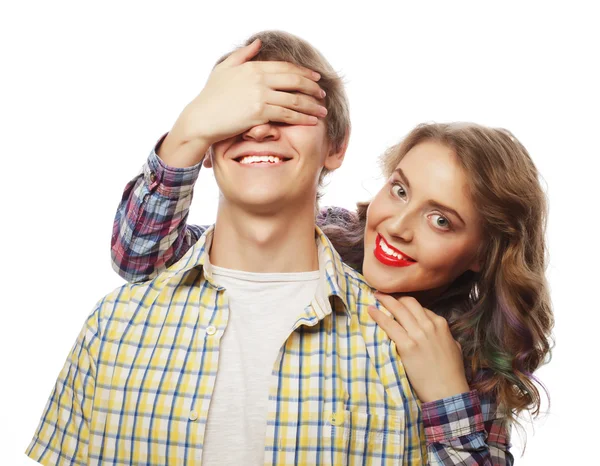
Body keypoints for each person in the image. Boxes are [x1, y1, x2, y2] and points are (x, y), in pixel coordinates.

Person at [109, 36, 553, 465]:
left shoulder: (470, 357)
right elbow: (143, 256)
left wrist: (447, 396)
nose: (397, 227)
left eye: (441, 220)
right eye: (399, 190)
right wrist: (191, 131)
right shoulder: (326, 238)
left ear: (483, 254)